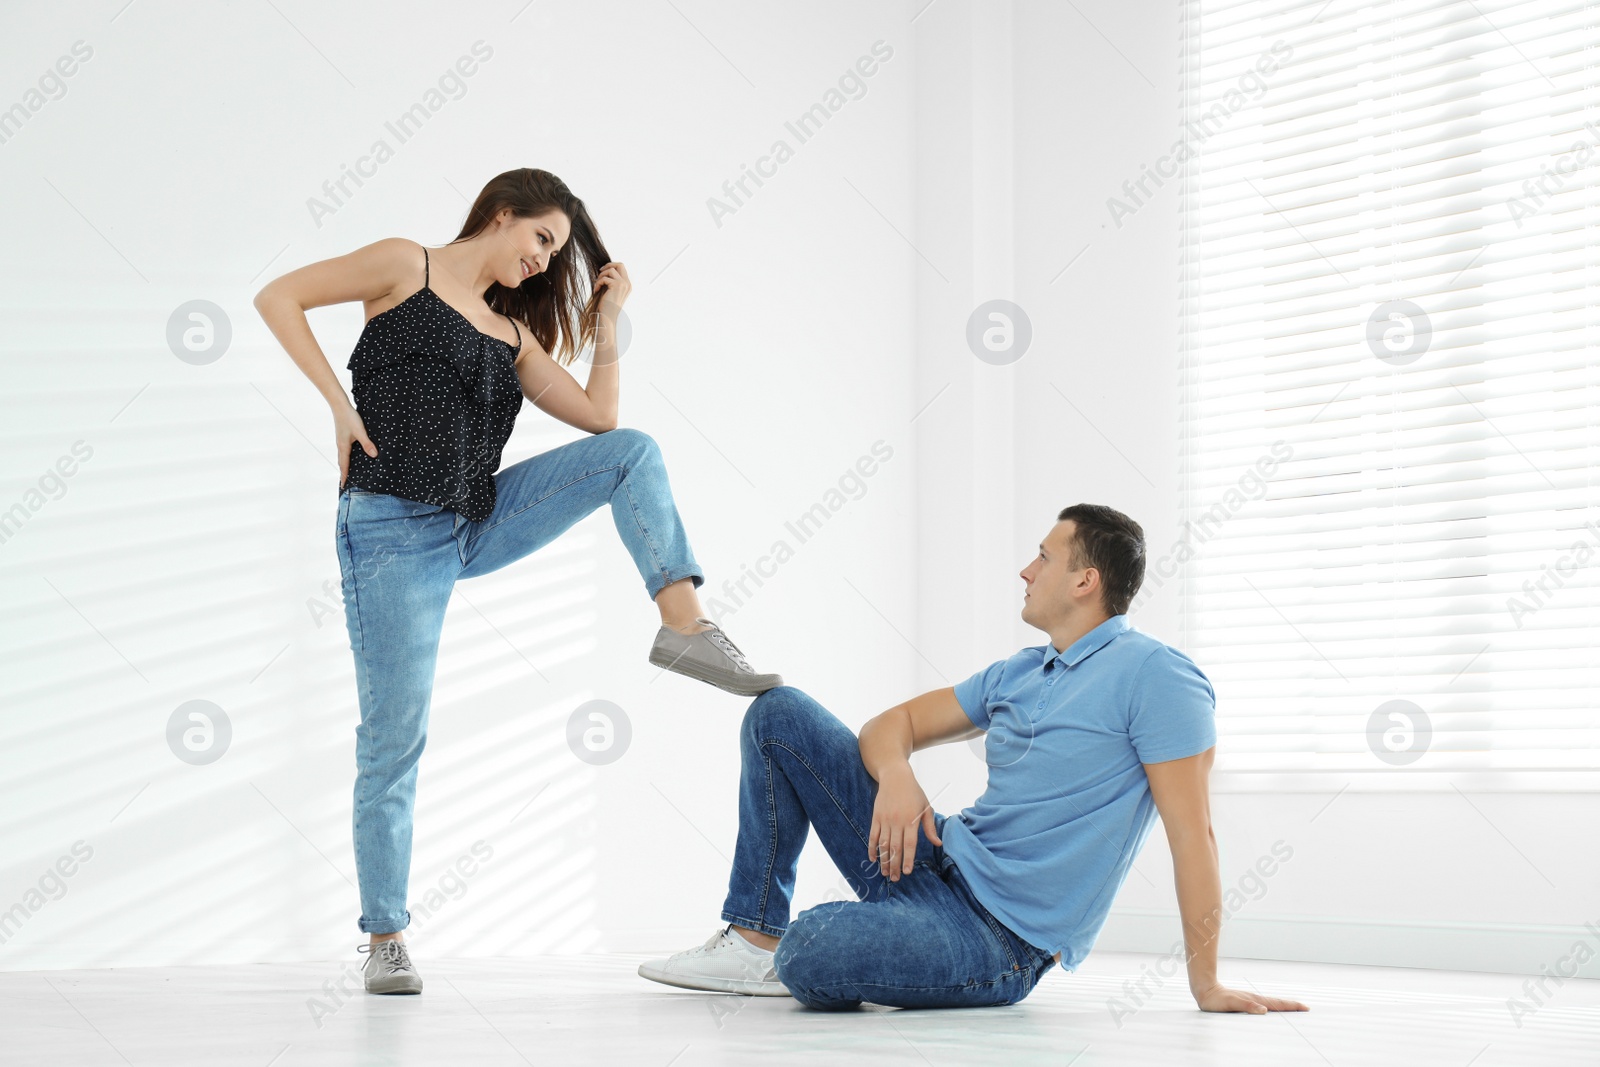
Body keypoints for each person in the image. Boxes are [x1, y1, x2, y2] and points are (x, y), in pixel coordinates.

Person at [254, 167, 782, 996]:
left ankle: (684, 624)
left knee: (631, 451)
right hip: (391, 529)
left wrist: (608, 322)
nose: (543, 262)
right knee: (395, 737)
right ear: (502, 214)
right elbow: (278, 295)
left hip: (479, 516)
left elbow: (600, 419)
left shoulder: (512, 336)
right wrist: (335, 403)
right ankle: (385, 936)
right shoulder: (405, 265)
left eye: (555, 253)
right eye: (541, 240)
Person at [639, 504, 1309, 1015]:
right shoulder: (1021, 671)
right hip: (928, 855)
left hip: (997, 940)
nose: (1026, 570)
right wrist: (899, 775)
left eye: (1042, 557)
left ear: (1085, 578)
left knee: (815, 945)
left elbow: (1194, 834)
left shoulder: (1158, 677)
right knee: (778, 712)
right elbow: (890, 725)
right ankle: (754, 938)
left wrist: (1207, 983)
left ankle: (814, 949)